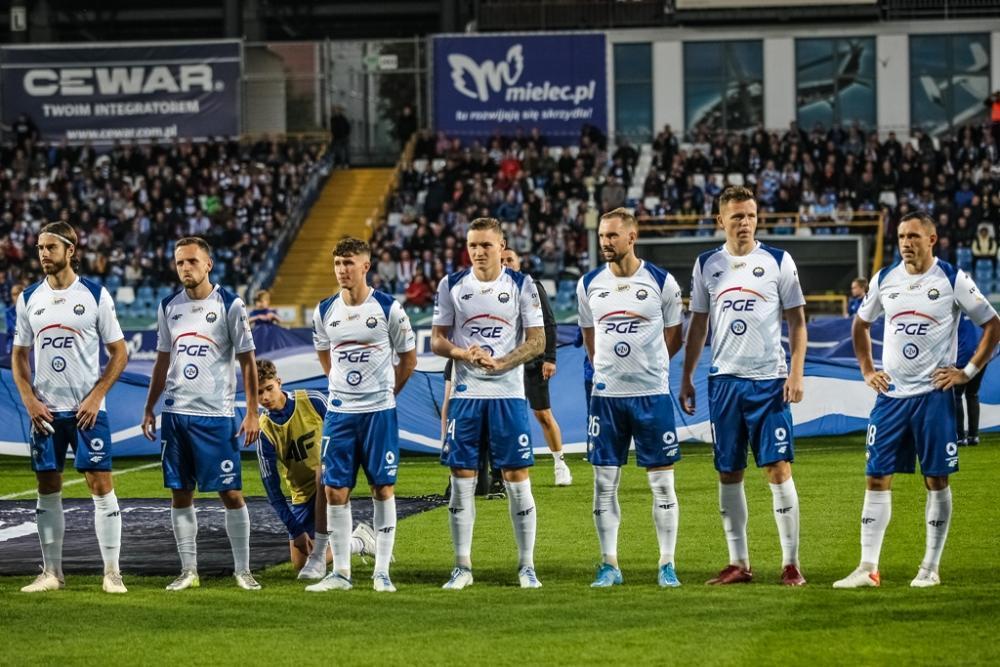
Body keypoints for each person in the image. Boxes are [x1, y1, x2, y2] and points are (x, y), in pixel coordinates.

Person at [835, 211, 999, 589]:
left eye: (913, 236)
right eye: (901, 237)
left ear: (931, 239)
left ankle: (930, 567)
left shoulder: (952, 279)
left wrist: (966, 372)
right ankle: (868, 568)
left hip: (933, 397)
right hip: (891, 397)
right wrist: (867, 370)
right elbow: (860, 324)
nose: (906, 243)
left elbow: (993, 325)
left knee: (935, 479)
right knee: (876, 476)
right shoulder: (885, 279)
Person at [681, 186, 808, 587]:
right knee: (729, 471)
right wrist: (686, 376)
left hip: (769, 382)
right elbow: (698, 325)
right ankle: (739, 563)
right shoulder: (707, 264)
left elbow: (797, 322)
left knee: (778, 468)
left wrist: (796, 373)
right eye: (737, 216)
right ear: (720, 220)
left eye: (751, 215)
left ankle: (791, 564)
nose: (745, 222)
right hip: (724, 382)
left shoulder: (778, 261)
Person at [12, 222, 129, 593]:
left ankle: (112, 573)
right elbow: (18, 355)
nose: (43, 253)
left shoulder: (95, 295)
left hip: (87, 411)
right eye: (40, 247)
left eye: (50, 247)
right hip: (45, 412)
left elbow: (119, 353)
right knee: (47, 487)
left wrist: (96, 395)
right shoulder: (29, 298)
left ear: (70, 250)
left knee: (101, 485)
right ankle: (52, 574)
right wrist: (29, 399)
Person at [141, 237, 262, 591]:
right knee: (180, 494)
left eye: (192, 261)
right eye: (180, 262)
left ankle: (243, 570)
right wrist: (149, 407)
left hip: (216, 417)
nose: (185, 268)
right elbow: (162, 361)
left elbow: (248, 362)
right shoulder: (168, 306)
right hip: (176, 414)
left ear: (208, 264)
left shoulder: (230, 304)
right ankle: (189, 571)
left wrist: (252, 411)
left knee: (231, 493)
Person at [431, 217, 545, 590]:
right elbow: (437, 340)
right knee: (461, 480)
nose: (479, 252)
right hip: (466, 396)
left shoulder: (521, 284)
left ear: (501, 246)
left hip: (507, 395)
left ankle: (526, 566)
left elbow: (538, 341)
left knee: (516, 479)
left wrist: (502, 362)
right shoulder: (451, 285)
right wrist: (463, 353)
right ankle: (462, 566)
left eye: (486, 245)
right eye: (473, 245)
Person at [577, 207, 685, 588]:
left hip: (651, 395)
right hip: (606, 398)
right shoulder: (588, 284)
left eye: (612, 235)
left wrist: (650, 367)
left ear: (631, 237)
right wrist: (607, 370)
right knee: (604, 484)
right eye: (602, 236)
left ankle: (667, 564)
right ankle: (609, 564)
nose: (605, 242)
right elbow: (590, 336)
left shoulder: (662, 282)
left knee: (662, 485)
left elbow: (675, 335)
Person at [306, 237, 417, 593]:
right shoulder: (324, 311)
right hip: (341, 414)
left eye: (349, 263)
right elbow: (325, 354)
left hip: (378, 413)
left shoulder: (388, 308)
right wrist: (339, 385)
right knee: (334, 490)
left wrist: (387, 394)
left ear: (365, 266)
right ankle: (341, 573)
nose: (342, 270)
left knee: (382, 488)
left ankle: (381, 572)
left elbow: (409, 359)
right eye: (338, 263)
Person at [255, 359, 376, 580]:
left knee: (322, 471)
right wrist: (296, 531)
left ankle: (321, 553)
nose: (265, 397)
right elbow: (272, 490)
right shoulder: (264, 431)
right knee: (300, 565)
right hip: (302, 493)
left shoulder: (312, 400)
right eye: (258, 392)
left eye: (269, 388)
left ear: (279, 382)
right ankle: (358, 542)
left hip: (332, 476)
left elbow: (341, 429)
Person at [501, 248, 572, 487]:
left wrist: (550, 358)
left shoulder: (532, 287)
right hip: (507, 365)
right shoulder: (491, 291)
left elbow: (549, 323)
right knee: (508, 417)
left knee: (543, 414)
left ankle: (560, 464)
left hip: (533, 362)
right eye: (502, 260)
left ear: (519, 263)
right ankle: (508, 469)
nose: (506, 263)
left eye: (510, 259)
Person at [954, 314, 991, 447]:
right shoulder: (979, 312)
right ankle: (973, 436)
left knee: (956, 395)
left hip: (963, 356)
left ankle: (960, 437)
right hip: (981, 357)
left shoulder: (955, 313)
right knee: (972, 394)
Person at [5, 282, 23, 355]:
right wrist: (9, 348)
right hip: (16, 349)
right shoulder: (9, 312)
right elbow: (10, 332)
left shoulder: (31, 309)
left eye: (16, 294)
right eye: (13, 294)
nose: (14, 297)